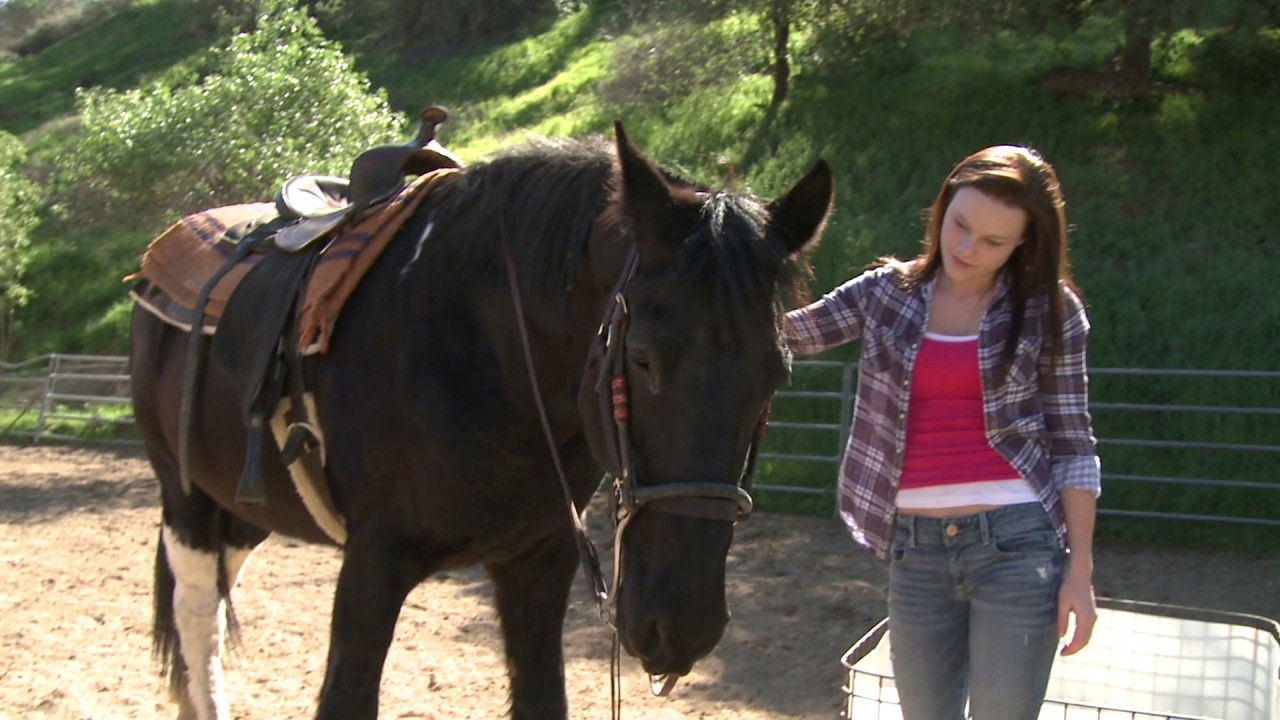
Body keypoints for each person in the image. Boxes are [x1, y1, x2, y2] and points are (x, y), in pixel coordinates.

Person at [785, 145, 1100, 720]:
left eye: (992, 242)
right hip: (915, 550)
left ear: (1024, 243)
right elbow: (784, 337)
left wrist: (1080, 573)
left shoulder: (1051, 311)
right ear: (943, 205)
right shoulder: (884, 293)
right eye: (960, 225)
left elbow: (1075, 447)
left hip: (1018, 545)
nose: (965, 249)